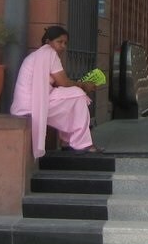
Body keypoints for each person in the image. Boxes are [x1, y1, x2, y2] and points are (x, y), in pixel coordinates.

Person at [11, 25, 100, 157]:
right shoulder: (49, 53)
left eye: (65, 43)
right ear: (48, 42)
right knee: (78, 95)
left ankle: (67, 141)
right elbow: (63, 82)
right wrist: (83, 85)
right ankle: (82, 143)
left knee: (71, 98)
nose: (63, 46)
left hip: (26, 105)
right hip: (33, 104)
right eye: (59, 42)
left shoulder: (37, 55)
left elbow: (59, 85)